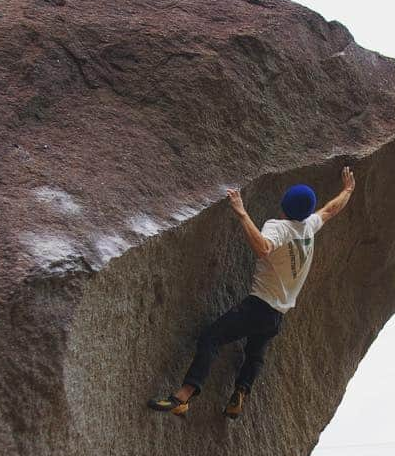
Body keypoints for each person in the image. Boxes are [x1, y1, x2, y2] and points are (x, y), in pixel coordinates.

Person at [148, 166, 356, 419]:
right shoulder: (308, 228)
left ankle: (182, 397)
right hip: (277, 316)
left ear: (285, 205)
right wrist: (347, 190)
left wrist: (241, 212)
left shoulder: (278, 228)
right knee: (255, 354)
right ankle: (241, 392)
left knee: (211, 337)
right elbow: (330, 210)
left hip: (258, 307)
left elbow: (263, 248)